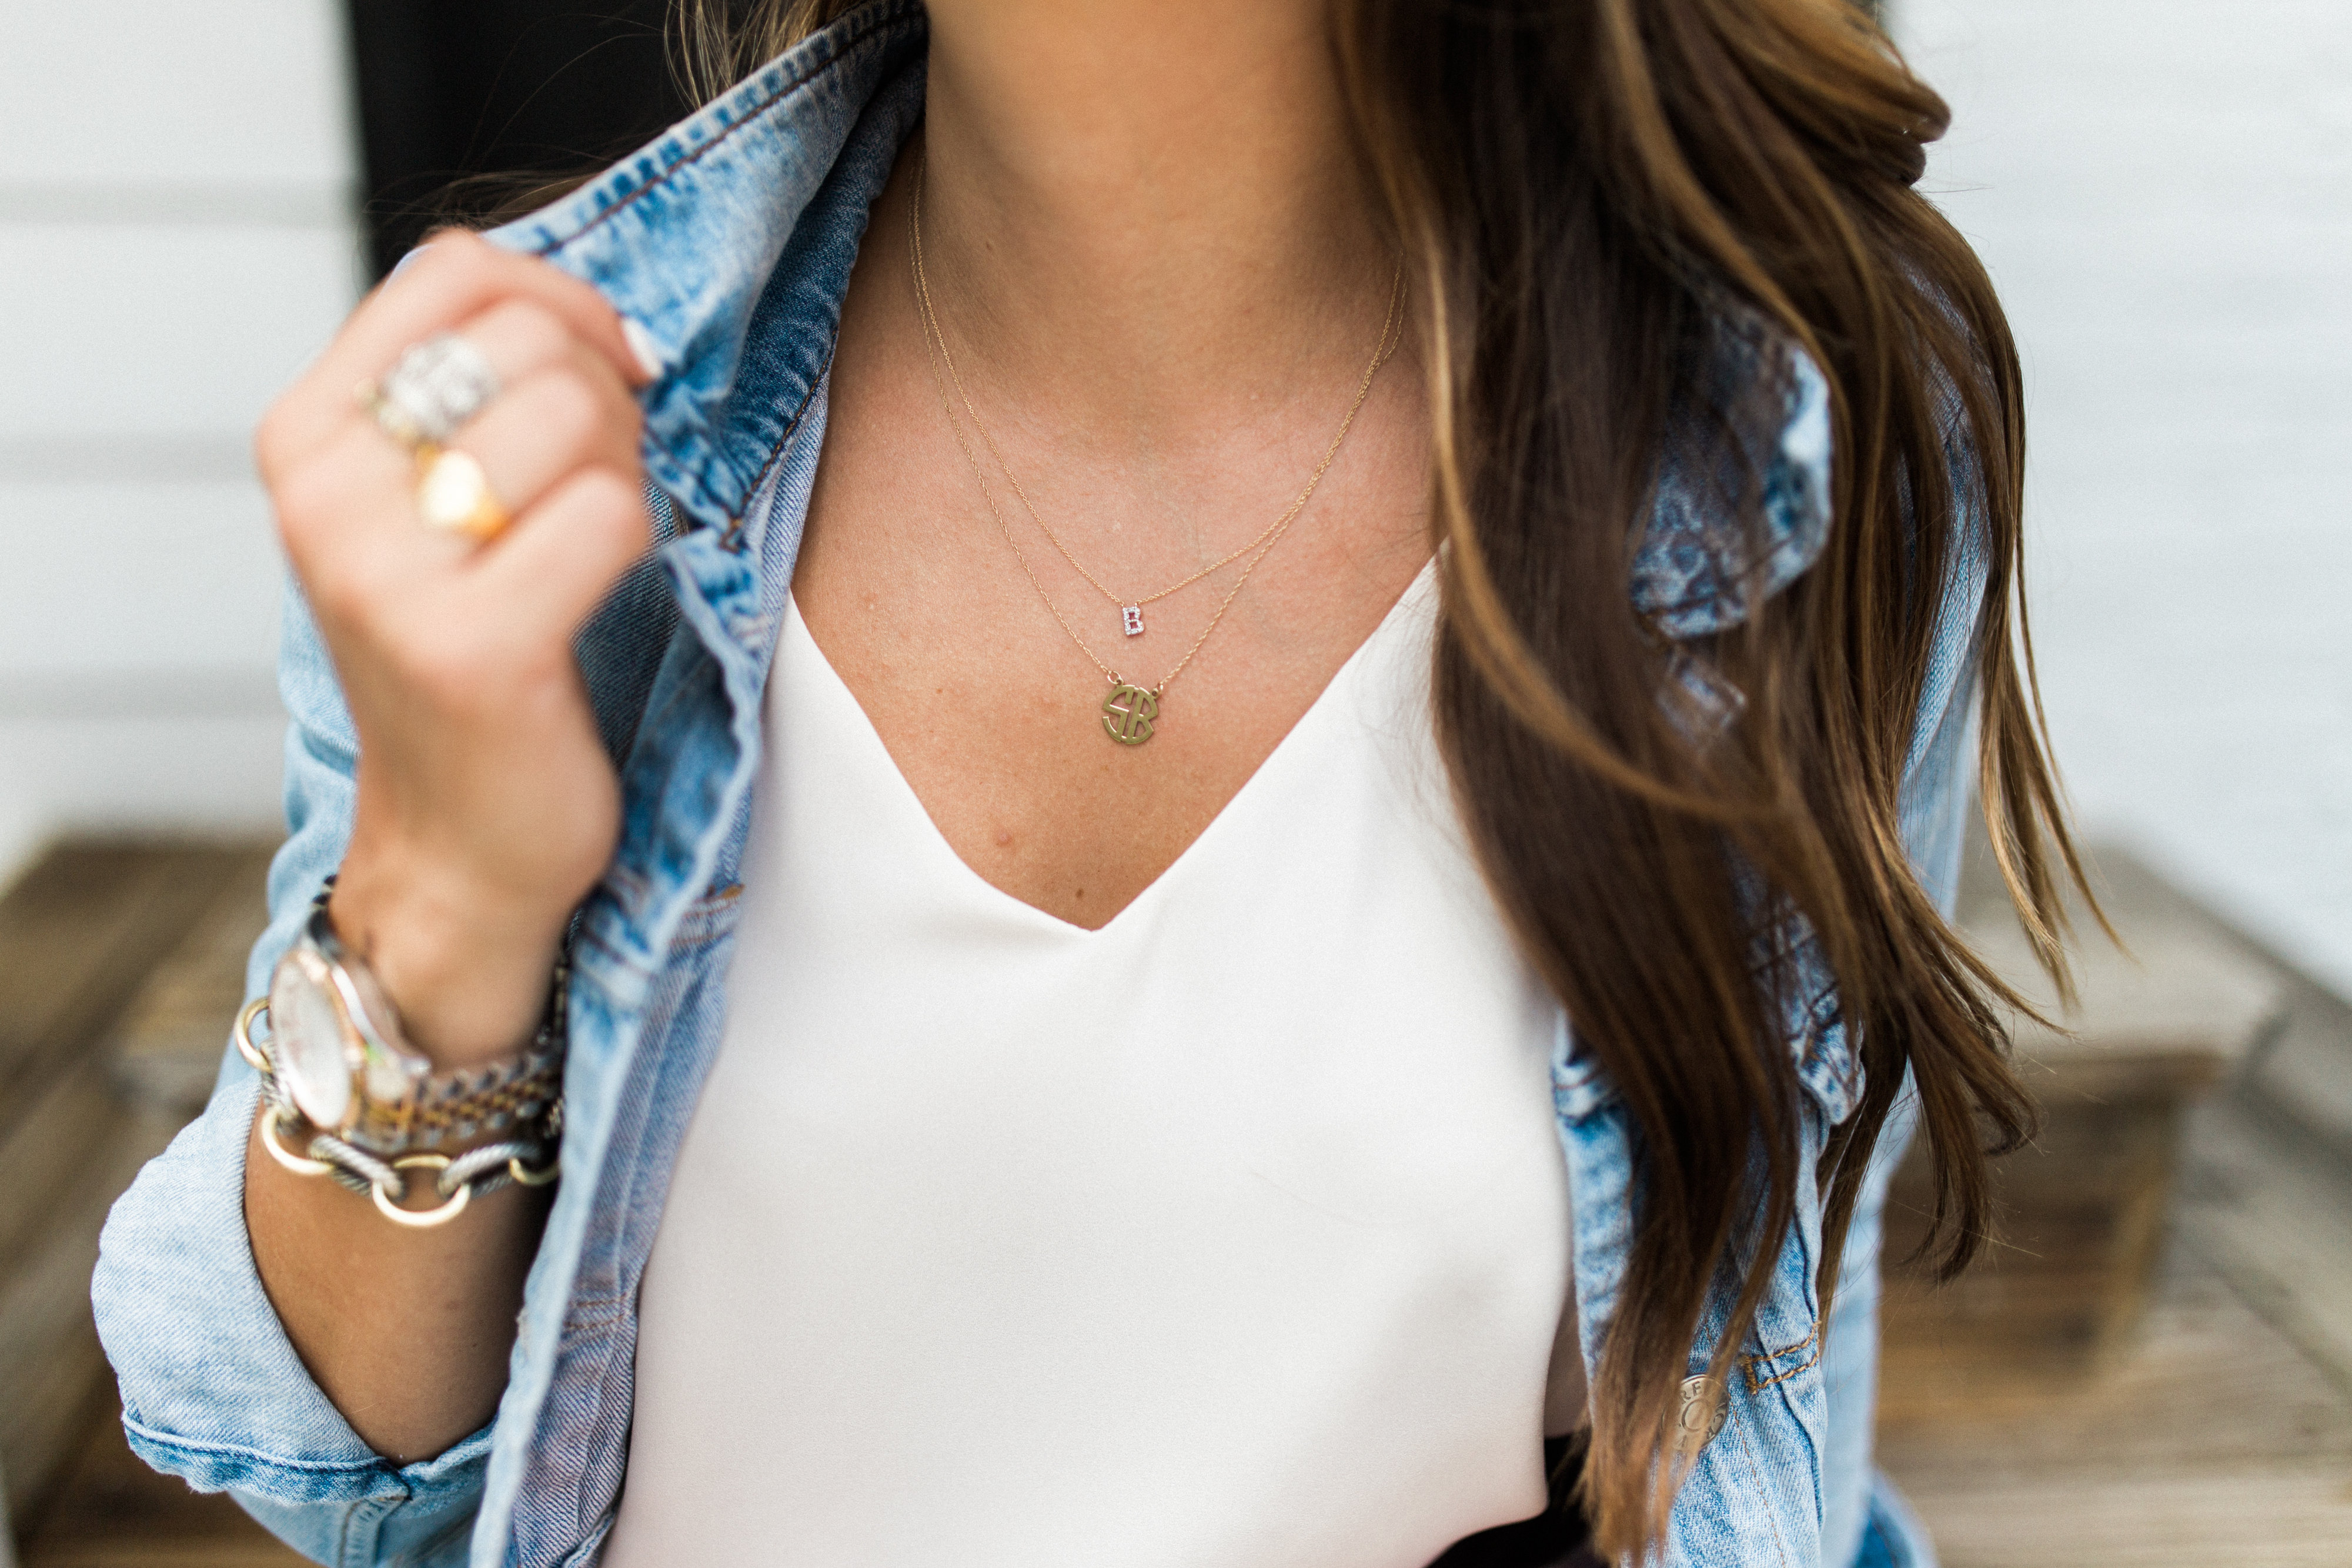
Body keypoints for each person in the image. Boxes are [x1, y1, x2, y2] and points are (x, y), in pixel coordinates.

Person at [92, 1, 2081, 1564]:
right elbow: (340, 1472)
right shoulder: (542, 427)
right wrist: (446, 893)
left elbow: (1753, 1411)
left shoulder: (1793, 434)